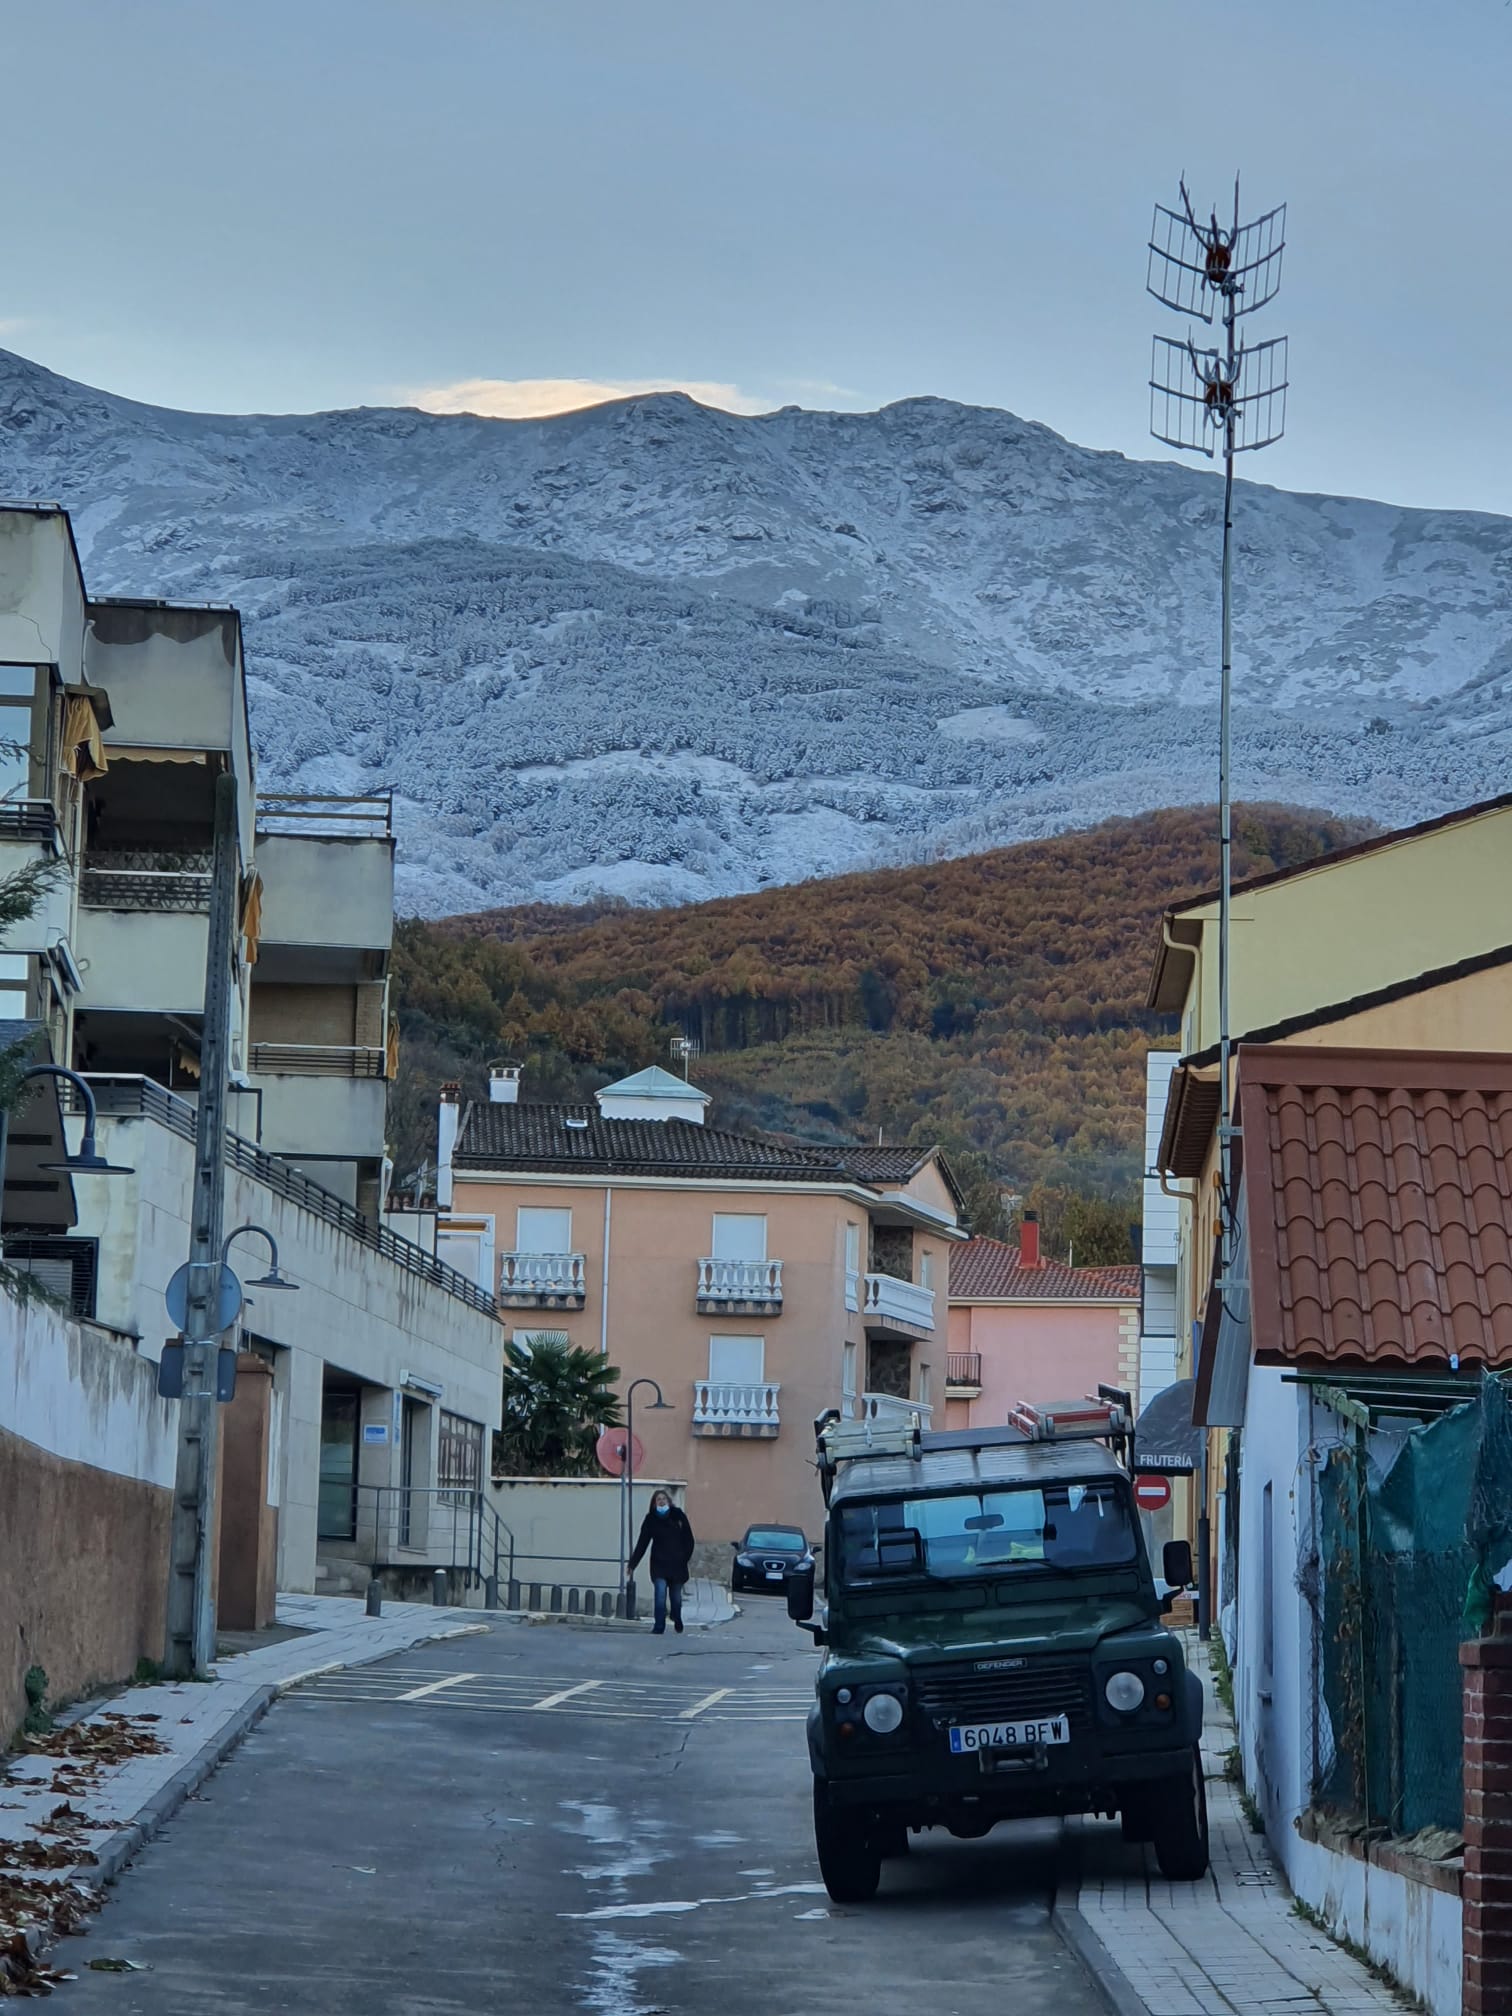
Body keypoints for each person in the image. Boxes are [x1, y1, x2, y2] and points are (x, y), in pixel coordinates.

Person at [627, 1489, 695, 1635]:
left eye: (664, 1498)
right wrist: (633, 1564)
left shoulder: (678, 1516)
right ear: (654, 1503)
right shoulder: (651, 1519)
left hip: (677, 1564)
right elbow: (642, 1543)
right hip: (659, 1564)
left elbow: (689, 1539)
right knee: (660, 1594)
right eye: (658, 1499)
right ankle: (659, 1626)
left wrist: (685, 1558)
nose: (662, 1501)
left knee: (676, 1599)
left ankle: (676, 1618)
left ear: (669, 1501)